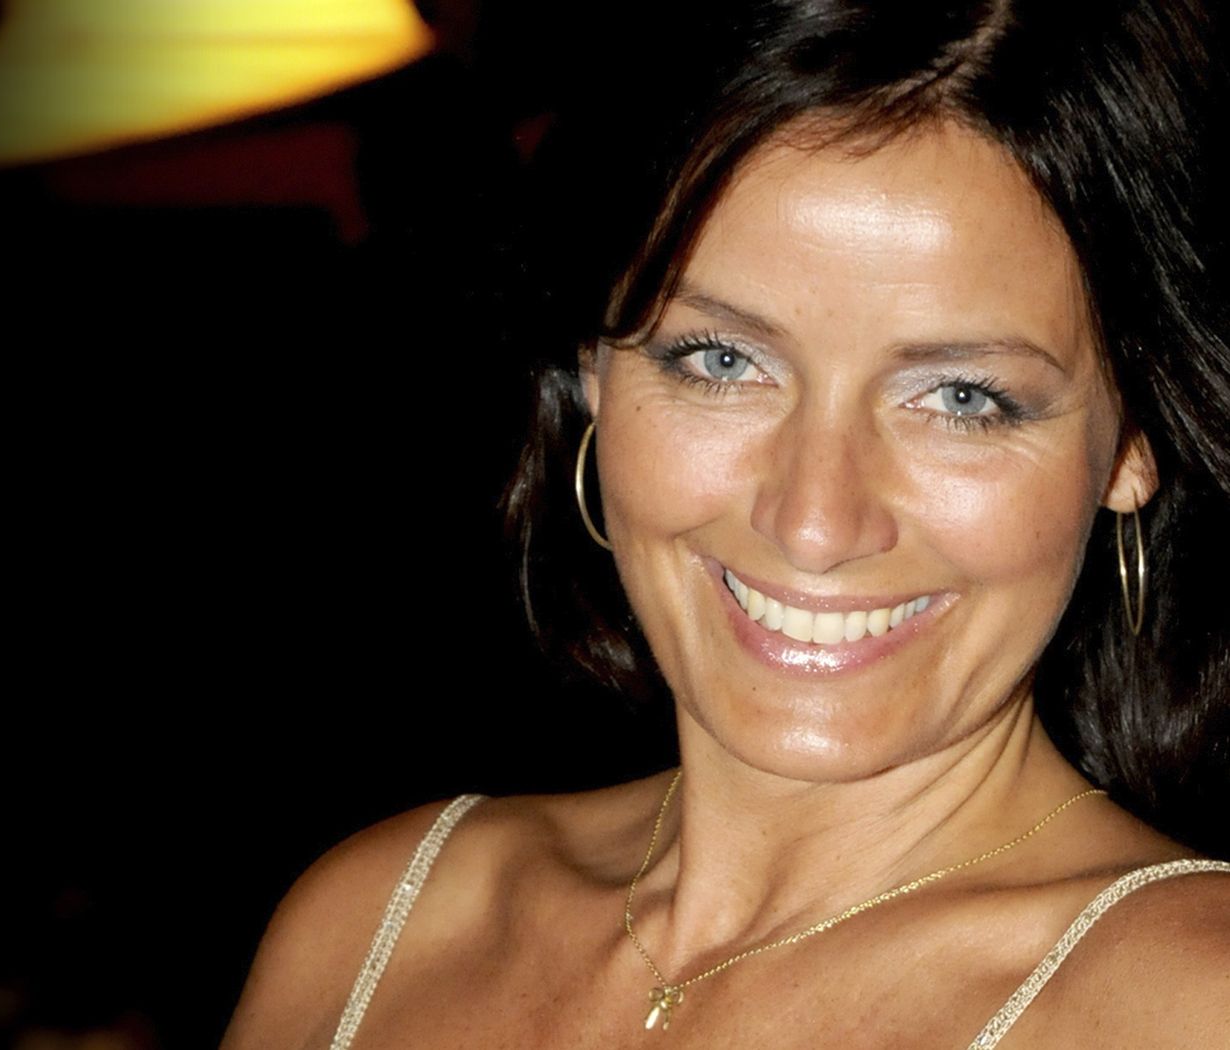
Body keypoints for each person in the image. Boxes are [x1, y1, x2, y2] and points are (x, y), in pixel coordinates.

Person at [220, 2, 1229, 1047]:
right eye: (723, 361)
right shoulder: (375, 926)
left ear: (1131, 440)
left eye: (962, 399)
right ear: (594, 370)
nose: (812, 522)